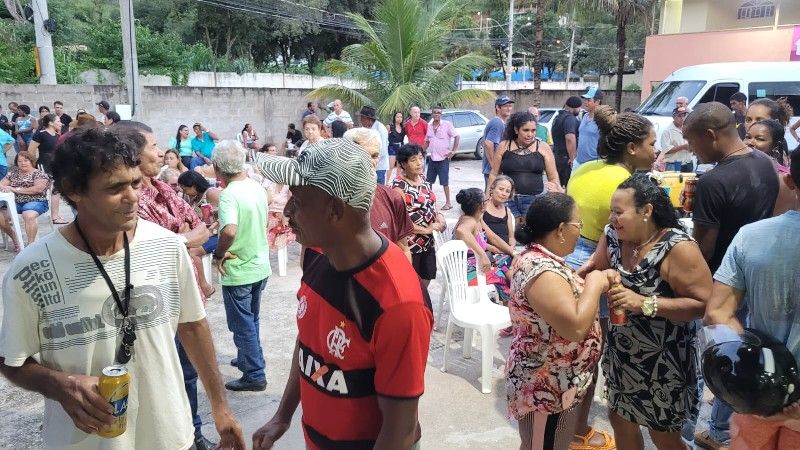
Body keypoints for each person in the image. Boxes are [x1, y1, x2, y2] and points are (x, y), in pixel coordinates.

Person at [0, 128, 245, 450]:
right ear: (74, 190)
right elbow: (12, 359)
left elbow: (193, 326)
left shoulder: (168, 246)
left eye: (136, 183)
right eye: (115, 188)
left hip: (170, 436)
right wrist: (59, 384)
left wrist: (221, 408)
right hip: (83, 443)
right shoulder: (31, 269)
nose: (132, 197)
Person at [252, 138, 433, 450]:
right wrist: (283, 415)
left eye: (298, 200)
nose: (287, 211)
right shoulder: (317, 255)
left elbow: (399, 431)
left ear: (335, 209)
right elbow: (309, 342)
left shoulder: (399, 305)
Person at [682, 102, 782, 449]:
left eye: (692, 141)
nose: (691, 149)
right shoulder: (765, 163)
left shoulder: (713, 181)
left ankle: (685, 435)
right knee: (740, 356)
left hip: (720, 285)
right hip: (755, 274)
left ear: (711, 135)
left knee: (704, 361)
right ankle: (720, 430)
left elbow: (704, 248)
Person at [117, 121, 220, 449]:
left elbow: (201, 228)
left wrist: (177, 240)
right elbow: (146, 246)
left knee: (188, 373)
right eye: (153, 146)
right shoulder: (129, 200)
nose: (160, 152)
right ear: (132, 154)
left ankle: (194, 433)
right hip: (155, 301)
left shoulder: (164, 189)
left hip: (184, 296)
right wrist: (182, 239)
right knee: (160, 377)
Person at [592, 173, 712, 449]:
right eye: (611, 211)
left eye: (619, 212)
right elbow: (597, 268)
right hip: (622, 353)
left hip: (665, 362)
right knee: (620, 420)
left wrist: (642, 302)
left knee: (663, 436)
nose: (612, 218)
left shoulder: (677, 248)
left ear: (646, 211)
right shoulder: (613, 236)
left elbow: (703, 304)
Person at [566, 105, 657, 450]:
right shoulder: (631, 186)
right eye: (651, 143)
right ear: (631, 148)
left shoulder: (584, 168)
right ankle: (577, 432)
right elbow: (631, 236)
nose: (656, 150)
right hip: (600, 262)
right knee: (592, 351)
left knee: (573, 349)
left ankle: (567, 426)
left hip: (569, 257)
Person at [704, 150, 800, 450]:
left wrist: (760, 380)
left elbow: (717, 314)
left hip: (760, 396)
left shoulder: (750, 236)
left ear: (789, 181)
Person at [507, 192, 613, 450]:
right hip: (545, 387)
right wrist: (595, 283)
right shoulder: (541, 270)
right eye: (579, 224)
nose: (580, 231)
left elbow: (559, 299)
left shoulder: (544, 260)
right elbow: (575, 327)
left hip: (560, 382)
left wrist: (579, 278)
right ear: (561, 230)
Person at [211, 140, 271, 392]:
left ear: (217, 168)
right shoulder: (256, 187)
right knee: (251, 319)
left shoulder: (228, 195)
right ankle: (249, 357)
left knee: (242, 324)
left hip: (240, 270)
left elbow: (229, 230)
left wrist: (218, 254)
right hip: (259, 264)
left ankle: (254, 373)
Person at [343, 127, 415, 261]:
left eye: (374, 156)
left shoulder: (392, 198)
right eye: (363, 155)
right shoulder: (329, 201)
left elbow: (404, 249)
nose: (370, 161)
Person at [489, 112, 561, 224]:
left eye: (533, 130)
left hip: (534, 200)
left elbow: (553, 176)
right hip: (507, 198)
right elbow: (494, 174)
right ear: (516, 130)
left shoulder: (543, 147)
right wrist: (488, 197)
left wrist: (556, 194)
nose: (530, 134)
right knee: (508, 231)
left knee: (530, 231)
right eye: (526, 130)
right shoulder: (504, 146)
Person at [394, 143, 446, 289]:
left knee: (427, 277)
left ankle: (423, 301)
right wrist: (427, 229)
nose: (419, 163)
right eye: (413, 160)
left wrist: (439, 216)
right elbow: (400, 222)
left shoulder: (423, 179)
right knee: (411, 283)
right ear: (403, 164)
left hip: (428, 243)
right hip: (410, 245)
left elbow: (431, 202)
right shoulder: (399, 187)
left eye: (420, 158)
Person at [454, 188, 512, 303]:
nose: (488, 200)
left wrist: (490, 248)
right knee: (505, 273)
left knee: (507, 261)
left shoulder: (476, 219)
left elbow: (483, 239)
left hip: (475, 265)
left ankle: (511, 302)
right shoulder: (469, 221)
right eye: (486, 200)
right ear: (481, 206)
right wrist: (482, 255)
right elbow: (461, 231)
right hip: (470, 271)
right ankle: (511, 304)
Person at [0, 151, 49, 250]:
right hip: (15, 203)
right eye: (20, 161)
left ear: (31, 161)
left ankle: (30, 246)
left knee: (28, 215)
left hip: (36, 201)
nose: (23, 163)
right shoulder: (13, 173)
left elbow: (37, 189)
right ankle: (16, 238)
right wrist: (4, 188)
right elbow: (1, 184)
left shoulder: (38, 173)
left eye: (26, 160)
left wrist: (14, 189)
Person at [29, 113, 67, 224]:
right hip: (43, 165)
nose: (61, 123)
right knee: (42, 190)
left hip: (55, 165)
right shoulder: (40, 134)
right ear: (50, 123)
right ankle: (31, 213)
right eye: (58, 121)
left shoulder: (58, 136)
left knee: (56, 190)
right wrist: (35, 165)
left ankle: (55, 217)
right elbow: (30, 151)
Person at [424, 105, 459, 209]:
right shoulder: (429, 126)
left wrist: (453, 151)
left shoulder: (447, 125)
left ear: (441, 114)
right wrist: (420, 151)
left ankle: (448, 203)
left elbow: (457, 136)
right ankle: (429, 201)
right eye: (435, 112)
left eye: (438, 113)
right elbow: (427, 141)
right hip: (432, 158)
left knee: (444, 182)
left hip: (443, 159)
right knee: (429, 182)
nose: (436, 114)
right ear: (432, 114)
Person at [483, 96, 515, 191]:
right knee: (491, 196)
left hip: (494, 171)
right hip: (493, 171)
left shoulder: (500, 122)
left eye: (510, 106)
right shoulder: (497, 123)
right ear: (497, 107)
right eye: (505, 106)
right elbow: (488, 143)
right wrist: (494, 166)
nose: (509, 108)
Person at [551, 96, 582, 186]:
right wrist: (572, 158)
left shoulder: (558, 117)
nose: (580, 110)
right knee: (570, 187)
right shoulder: (570, 119)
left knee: (558, 187)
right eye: (579, 107)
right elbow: (570, 138)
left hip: (558, 157)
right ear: (574, 107)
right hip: (566, 160)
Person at [483, 175, 517, 252]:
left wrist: (511, 248)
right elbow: (476, 236)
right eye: (501, 189)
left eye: (507, 191)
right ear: (492, 189)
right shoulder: (482, 207)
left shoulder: (507, 210)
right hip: (488, 251)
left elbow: (511, 238)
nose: (504, 194)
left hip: (506, 251)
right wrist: (492, 248)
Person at [573, 87, 604, 172]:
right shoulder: (584, 116)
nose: (585, 102)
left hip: (593, 164)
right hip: (578, 162)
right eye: (585, 99)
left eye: (589, 100)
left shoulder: (602, 120)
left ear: (597, 102)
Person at [359, 106, 390, 184]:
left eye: (362, 118)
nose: (361, 121)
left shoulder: (381, 129)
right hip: (368, 166)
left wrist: (369, 158)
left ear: (368, 119)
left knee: (378, 188)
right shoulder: (365, 128)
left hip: (379, 167)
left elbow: (382, 151)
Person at [659, 106, 693, 172]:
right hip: (673, 165)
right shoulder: (667, 131)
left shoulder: (688, 129)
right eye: (679, 116)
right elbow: (666, 150)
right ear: (673, 117)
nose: (682, 118)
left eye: (684, 115)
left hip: (688, 163)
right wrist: (683, 147)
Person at [387, 111, 405, 183]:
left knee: (399, 167)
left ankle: (397, 182)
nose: (399, 118)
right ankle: (387, 183)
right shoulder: (390, 126)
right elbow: (384, 137)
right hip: (392, 147)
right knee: (390, 166)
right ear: (394, 117)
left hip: (401, 147)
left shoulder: (403, 127)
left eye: (401, 117)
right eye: (398, 117)